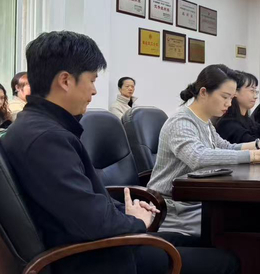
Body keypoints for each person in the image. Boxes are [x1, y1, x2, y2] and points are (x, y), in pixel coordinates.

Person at [1, 31, 240, 274]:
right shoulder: (47, 139)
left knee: (208, 242)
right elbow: (89, 220)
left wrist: (127, 210)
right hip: (96, 259)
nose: (94, 91)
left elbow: (80, 201)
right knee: (226, 261)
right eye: (91, 80)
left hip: (97, 246)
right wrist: (136, 220)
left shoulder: (37, 127)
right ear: (65, 81)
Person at [147, 65, 260, 236]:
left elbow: (225, 146)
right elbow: (198, 156)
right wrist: (255, 156)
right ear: (204, 92)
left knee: (255, 215)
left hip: (197, 202)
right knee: (243, 225)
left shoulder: (205, 122)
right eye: (225, 97)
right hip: (173, 208)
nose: (229, 104)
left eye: (231, 98)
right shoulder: (181, 122)